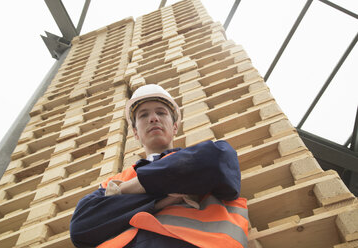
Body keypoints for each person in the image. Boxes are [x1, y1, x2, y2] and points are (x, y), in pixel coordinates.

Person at [70, 84, 248, 248]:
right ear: (135, 133)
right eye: (143, 115)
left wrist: (128, 190)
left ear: (175, 126)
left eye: (161, 113)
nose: (153, 118)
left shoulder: (207, 157)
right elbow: (81, 227)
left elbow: (217, 161)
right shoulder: (115, 180)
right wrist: (162, 200)